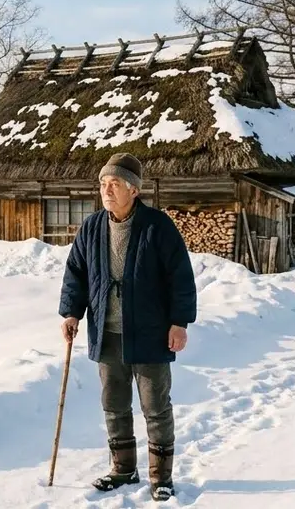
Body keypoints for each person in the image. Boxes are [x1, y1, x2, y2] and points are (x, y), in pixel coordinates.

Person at [58, 152, 197, 502]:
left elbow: (180, 277)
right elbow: (76, 272)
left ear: (134, 190)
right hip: (107, 332)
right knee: (114, 404)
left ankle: (160, 477)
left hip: (150, 333)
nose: (107, 190)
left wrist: (179, 323)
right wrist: (71, 313)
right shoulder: (92, 227)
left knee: (155, 407)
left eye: (114, 184)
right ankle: (123, 469)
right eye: (103, 184)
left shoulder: (157, 225)